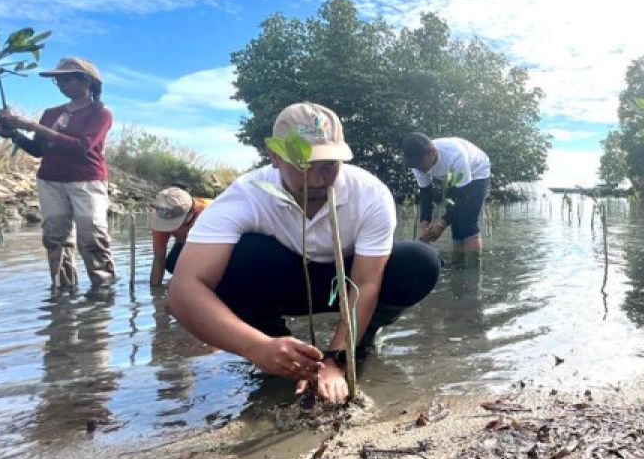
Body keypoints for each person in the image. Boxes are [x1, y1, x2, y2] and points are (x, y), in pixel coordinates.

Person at [168, 103, 441, 404]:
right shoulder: (247, 194)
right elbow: (183, 289)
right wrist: (256, 347)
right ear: (274, 157)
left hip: (344, 280)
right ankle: (279, 352)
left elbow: (365, 283)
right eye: (302, 165)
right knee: (242, 256)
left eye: (328, 166)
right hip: (286, 279)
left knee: (419, 262)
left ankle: (360, 341)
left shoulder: (370, 194)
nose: (316, 180)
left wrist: (335, 358)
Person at [0, 57, 116, 291]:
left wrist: (32, 126)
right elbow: (38, 150)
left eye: (67, 79)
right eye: (58, 81)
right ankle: (63, 292)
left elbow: (82, 146)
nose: (61, 85)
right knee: (56, 238)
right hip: (50, 181)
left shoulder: (100, 114)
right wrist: (14, 134)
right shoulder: (50, 113)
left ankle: (103, 291)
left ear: (86, 81)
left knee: (92, 237)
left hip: (87, 181)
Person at [401, 133, 491, 258]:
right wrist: (424, 226)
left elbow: (463, 196)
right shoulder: (417, 164)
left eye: (420, 163)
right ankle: (458, 269)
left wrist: (442, 223)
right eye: (414, 165)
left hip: (477, 172)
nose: (418, 168)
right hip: (453, 178)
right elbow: (426, 194)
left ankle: (473, 271)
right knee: (457, 228)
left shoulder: (455, 155)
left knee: (468, 224)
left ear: (431, 153)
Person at [148, 186, 210, 286]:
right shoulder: (164, 213)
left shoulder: (209, 214)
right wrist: (155, 293)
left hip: (218, 245)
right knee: (172, 265)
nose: (169, 227)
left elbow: (210, 259)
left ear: (191, 211)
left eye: (173, 223)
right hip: (185, 241)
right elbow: (159, 258)